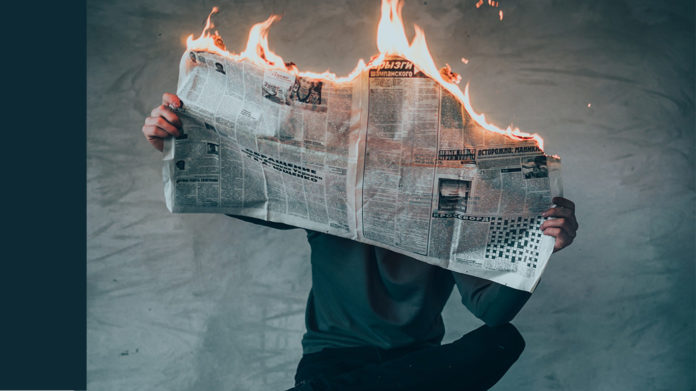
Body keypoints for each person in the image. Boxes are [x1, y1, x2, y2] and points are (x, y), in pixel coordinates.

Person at [142, 93, 579, 391]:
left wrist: (539, 249)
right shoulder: (328, 194)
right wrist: (177, 141)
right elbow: (248, 195)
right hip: (335, 362)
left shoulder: (454, 211)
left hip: (414, 369)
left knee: (505, 341)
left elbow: (493, 312)